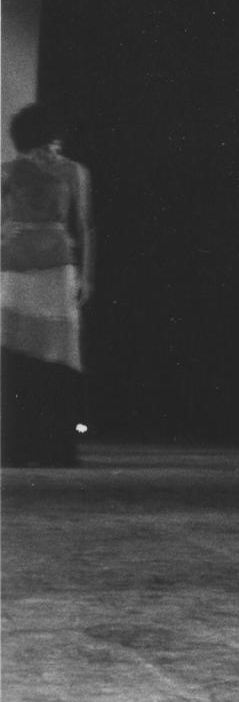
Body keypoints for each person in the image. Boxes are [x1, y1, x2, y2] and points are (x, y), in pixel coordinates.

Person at [1, 103, 92, 466]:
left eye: (52, 143)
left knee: (58, 354)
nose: (48, 151)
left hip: (57, 265)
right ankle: (14, 446)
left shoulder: (73, 171)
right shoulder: (7, 171)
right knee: (13, 350)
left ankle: (55, 447)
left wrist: (88, 274)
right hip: (13, 265)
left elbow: (85, 225)